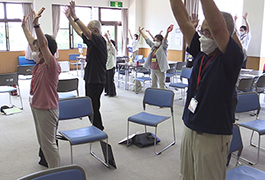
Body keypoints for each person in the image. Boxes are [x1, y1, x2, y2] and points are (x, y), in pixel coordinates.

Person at [170, 0, 243, 179]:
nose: (203, 36)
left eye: (208, 32)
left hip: (213, 133)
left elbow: (219, 29)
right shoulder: (201, 52)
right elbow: (183, 22)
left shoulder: (231, 58)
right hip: (190, 126)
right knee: (186, 175)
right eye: (203, 31)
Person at [22, 7, 61, 168]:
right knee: (44, 144)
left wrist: (37, 25)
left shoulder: (51, 64)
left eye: (38, 49)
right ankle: (53, 171)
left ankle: (59, 173)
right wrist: (25, 27)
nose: (34, 51)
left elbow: (43, 45)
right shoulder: (40, 64)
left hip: (47, 108)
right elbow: (34, 42)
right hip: (37, 106)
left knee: (49, 145)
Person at [64, 1, 107, 130]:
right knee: (91, 105)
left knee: (93, 105)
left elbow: (86, 33)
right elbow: (79, 32)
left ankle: (98, 128)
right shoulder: (92, 43)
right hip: (90, 78)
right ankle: (96, 126)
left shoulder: (100, 40)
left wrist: (75, 16)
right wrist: (69, 19)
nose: (87, 31)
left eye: (89, 29)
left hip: (97, 80)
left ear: (95, 30)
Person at [138, 25, 173, 89]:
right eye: (155, 40)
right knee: (153, 85)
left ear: (160, 41)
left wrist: (167, 32)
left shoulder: (163, 47)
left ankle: (162, 97)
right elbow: (147, 39)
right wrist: (140, 32)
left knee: (161, 84)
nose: (155, 42)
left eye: (157, 41)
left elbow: (165, 41)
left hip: (160, 69)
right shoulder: (153, 46)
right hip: (153, 68)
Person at [104, 31, 117, 97]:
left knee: (110, 80)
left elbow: (111, 46)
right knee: (106, 80)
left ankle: (112, 93)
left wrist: (108, 38)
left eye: (108, 44)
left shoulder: (113, 51)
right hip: (106, 67)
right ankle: (108, 92)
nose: (107, 45)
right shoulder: (107, 51)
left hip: (111, 67)